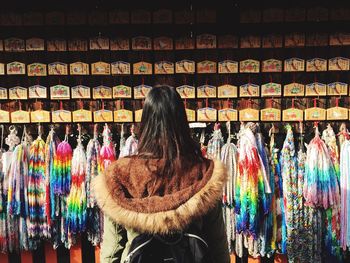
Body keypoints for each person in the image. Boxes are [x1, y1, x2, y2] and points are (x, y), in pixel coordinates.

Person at [93, 85, 230, 263]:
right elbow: (218, 246)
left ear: (145, 123)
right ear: (181, 122)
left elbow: (112, 251)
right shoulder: (202, 172)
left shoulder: (122, 174)